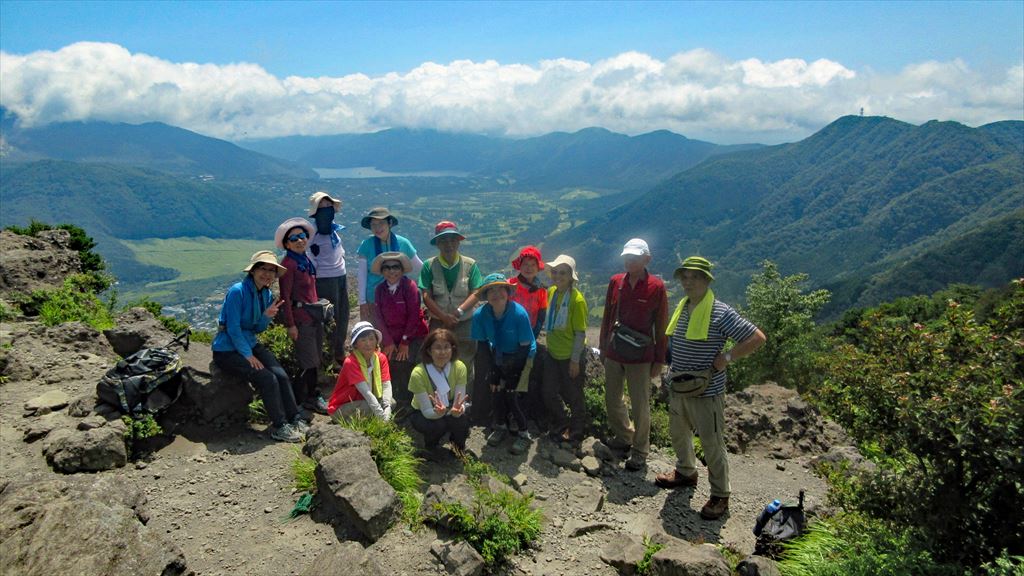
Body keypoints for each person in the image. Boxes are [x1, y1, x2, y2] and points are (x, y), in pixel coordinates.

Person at [655, 256, 766, 521]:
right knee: (679, 434)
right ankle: (686, 472)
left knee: (711, 443)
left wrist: (726, 358)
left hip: (707, 390)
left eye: (695, 277)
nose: (688, 281)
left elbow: (756, 337)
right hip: (680, 386)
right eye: (685, 277)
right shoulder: (683, 306)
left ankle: (720, 494)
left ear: (706, 280)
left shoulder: (720, 312)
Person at [212, 251, 307, 443]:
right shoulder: (238, 291)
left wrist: (265, 317)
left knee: (280, 375)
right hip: (227, 349)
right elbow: (233, 328)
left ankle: (295, 417)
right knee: (266, 378)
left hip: (249, 342)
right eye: (263, 268)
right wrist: (248, 355)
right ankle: (280, 426)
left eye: (271, 270)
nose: (267, 274)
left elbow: (257, 329)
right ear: (253, 271)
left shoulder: (266, 294)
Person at [599, 238, 668, 471]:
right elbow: (608, 316)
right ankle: (623, 436)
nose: (630, 261)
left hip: (641, 356)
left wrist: (659, 359)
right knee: (612, 398)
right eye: (627, 257)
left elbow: (661, 325)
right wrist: (603, 347)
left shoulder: (656, 287)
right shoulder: (616, 282)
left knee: (640, 405)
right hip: (615, 350)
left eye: (635, 257)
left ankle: (640, 450)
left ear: (646, 259)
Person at [472, 273, 537, 455]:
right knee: (497, 391)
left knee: (513, 394)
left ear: (508, 292)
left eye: (501, 288)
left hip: (523, 354)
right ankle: (500, 426)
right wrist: (493, 372)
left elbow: (525, 346)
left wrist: (514, 375)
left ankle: (523, 434)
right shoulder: (480, 315)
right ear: (486, 296)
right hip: (499, 353)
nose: (496, 293)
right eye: (491, 290)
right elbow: (482, 346)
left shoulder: (518, 313)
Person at [419, 220, 483, 391]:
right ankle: (439, 398)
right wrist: (443, 316)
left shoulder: (470, 265)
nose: (448, 244)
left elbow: (476, 291)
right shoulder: (429, 266)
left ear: (458, 242)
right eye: (443, 240)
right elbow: (426, 295)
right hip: (438, 322)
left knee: (465, 362)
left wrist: (458, 312)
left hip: (465, 322)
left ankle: (464, 399)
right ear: (437, 243)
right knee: (437, 360)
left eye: (452, 240)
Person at [275, 217, 327, 414]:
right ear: (287, 244)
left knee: (314, 359)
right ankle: (308, 398)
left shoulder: (304, 260)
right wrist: (291, 324)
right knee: (309, 361)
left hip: (313, 317)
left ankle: (304, 398)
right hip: (302, 320)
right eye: (294, 238)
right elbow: (285, 297)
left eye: (302, 236)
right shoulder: (289, 265)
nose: (299, 240)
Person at [371, 251, 428, 412]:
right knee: (391, 365)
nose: (391, 271)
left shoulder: (410, 287)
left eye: (395, 267)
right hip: (391, 338)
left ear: (402, 270)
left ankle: (411, 404)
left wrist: (404, 342)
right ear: (382, 271)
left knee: (408, 364)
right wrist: (388, 342)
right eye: (387, 268)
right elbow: (378, 317)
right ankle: (397, 402)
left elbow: (414, 316)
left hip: (413, 336)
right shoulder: (380, 290)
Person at [542, 255, 588, 444]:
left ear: (571, 276)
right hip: (553, 352)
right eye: (555, 272)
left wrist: (575, 361)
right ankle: (562, 423)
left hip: (570, 355)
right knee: (548, 391)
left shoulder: (577, 300)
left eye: (563, 273)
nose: (558, 276)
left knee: (574, 395)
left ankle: (576, 431)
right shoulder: (552, 292)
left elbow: (580, 333)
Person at [407, 328, 470, 459]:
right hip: (423, 412)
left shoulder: (459, 367)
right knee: (438, 424)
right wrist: (438, 413)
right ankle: (431, 447)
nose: (443, 352)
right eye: (438, 348)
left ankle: (458, 449)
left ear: (452, 349)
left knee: (461, 420)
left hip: (449, 408)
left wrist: (459, 410)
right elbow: (426, 411)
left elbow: (459, 402)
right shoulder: (418, 373)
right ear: (429, 351)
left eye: (447, 347)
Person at [356, 207, 422, 322]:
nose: (377, 228)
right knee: (376, 331)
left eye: (381, 223)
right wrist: (362, 302)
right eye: (373, 225)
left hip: (400, 298)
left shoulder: (404, 243)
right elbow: (362, 275)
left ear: (389, 223)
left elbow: (420, 268)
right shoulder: (366, 245)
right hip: (373, 299)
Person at [307, 191, 349, 365]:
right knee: (330, 317)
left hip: (340, 275)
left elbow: (338, 250)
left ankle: (339, 350)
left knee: (343, 314)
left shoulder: (333, 229)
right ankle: (330, 356)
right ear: (316, 211)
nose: (326, 209)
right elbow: (307, 253)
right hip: (324, 279)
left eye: (328, 205)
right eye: (322, 206)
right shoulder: (312, 232)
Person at [509, 246, 549, 423]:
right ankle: (508, 413)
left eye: (533, 264)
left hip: (528, 338)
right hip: (509, 337)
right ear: (519, 265)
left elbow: (541, 316)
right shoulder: (510, 285)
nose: (529, 268)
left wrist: (530, 336)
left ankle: (522, 413)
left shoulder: (541, 290)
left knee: (526, 377)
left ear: (538, 267)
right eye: (525, 264)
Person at [328, 321, 394, 420]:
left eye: (371, 339)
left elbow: (386, 384)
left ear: (376, 341)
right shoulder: (350, 362)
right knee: (371, 407)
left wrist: (387, 407)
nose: (368, 343)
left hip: (363, 401)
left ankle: (368, 419)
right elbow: (366, 392)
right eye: (363, 340)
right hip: (341, 407)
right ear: (355, 344)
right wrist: (382, 416)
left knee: (391, 402)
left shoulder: (381, 358)